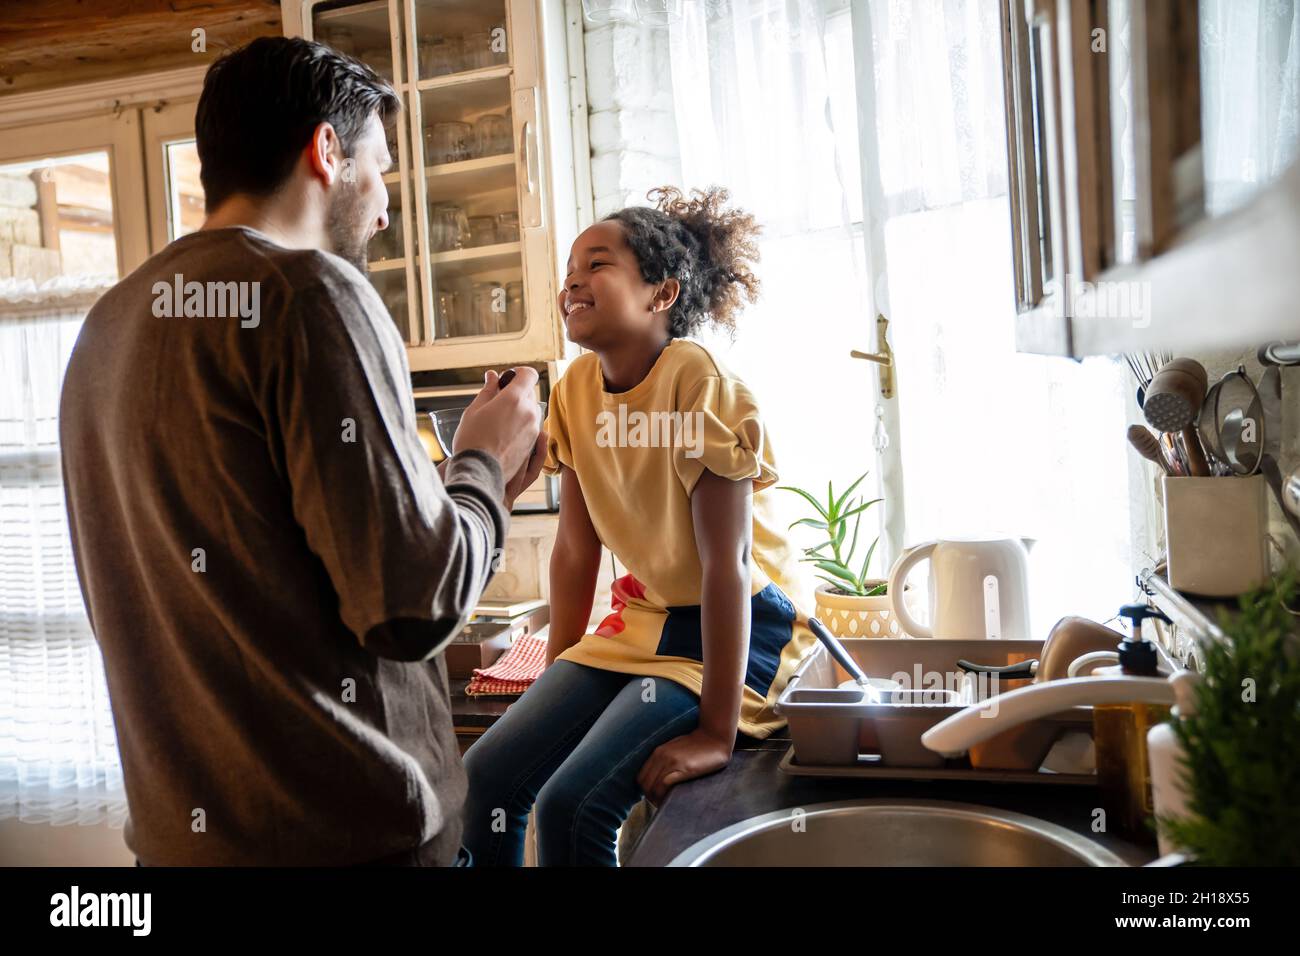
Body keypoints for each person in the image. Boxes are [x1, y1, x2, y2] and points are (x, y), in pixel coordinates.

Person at [58, 36, 544, 866]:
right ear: (326, 150)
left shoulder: (108, 327)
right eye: (379, 169)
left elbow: (276, 546)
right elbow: (411, 605)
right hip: (347, 844)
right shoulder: (309, 293)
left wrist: (440, 489)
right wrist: (484, 466)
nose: (386, 207)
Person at [461, 186, 818, 866]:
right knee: (487, 778)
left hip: (743, 624)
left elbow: (728, 568)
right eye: (569, 270)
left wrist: (716, 733)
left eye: (598, 264)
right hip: (649, 623)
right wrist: (560, 668)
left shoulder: (698, 384)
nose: (573, 280)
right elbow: (575, 549)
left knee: (574, 804)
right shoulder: (572, 390)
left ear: (661, 295)